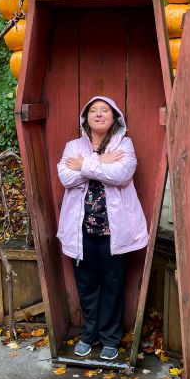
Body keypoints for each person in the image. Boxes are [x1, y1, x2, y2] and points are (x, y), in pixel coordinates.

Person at [57, 96, 148, 361]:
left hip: (114, 232)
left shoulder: (124, 144)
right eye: (93, 110)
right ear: (85, 118)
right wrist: (102, 163)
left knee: (112, 284)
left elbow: (122, 175)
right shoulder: (73, 145)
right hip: (81, 230)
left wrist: (84, 165)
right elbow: (65, 177)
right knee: (86, 284)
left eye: (104, 110)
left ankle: (110, 339)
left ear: (114, 116)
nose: (98, 114)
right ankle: (89, 335)